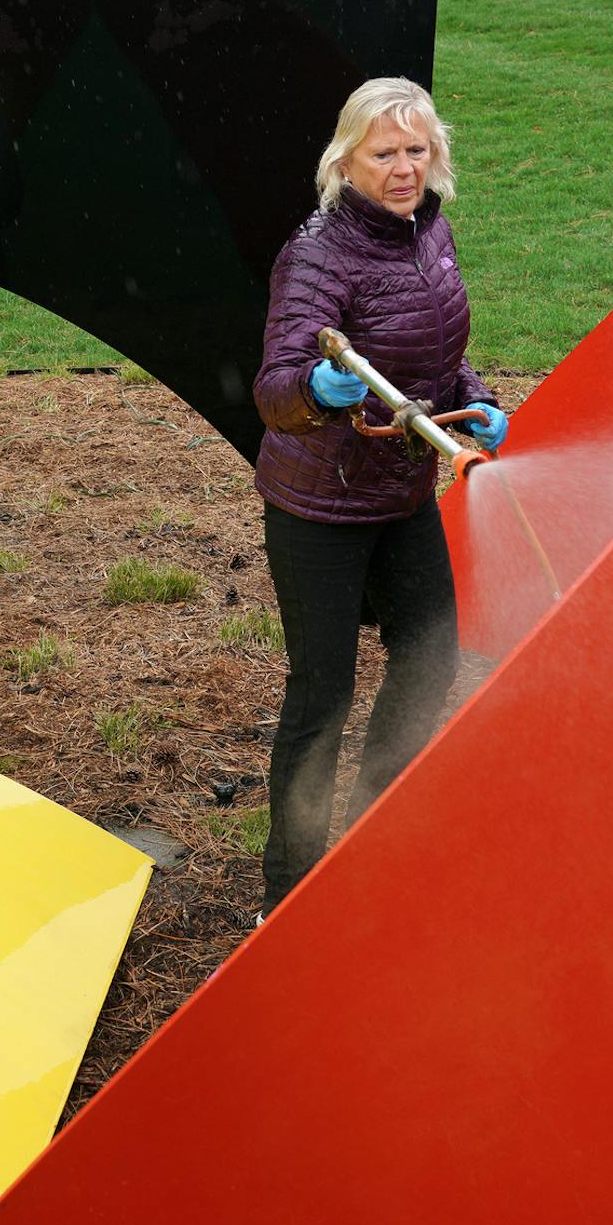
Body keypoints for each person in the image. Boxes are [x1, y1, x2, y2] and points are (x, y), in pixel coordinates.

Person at [250, 76, 506, 918]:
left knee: (430, 655)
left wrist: (473, 398)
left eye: (417, 149)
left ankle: (371, 835)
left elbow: (434, 355)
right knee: (323, 694)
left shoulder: (429, 232)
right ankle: (288, 894)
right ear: (346, 159)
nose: (404, 168)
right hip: (319, 507)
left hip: (401, 494)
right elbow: (275, 388)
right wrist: (319, 390)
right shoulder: (317, 253)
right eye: (385, 152)